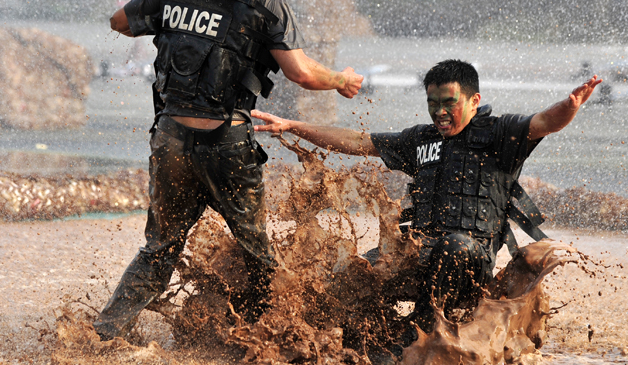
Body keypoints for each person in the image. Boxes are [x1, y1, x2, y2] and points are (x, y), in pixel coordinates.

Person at [95, 0, 364, 341]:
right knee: (256, 251)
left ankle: (103, 336)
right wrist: (340, 80)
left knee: (159, 249)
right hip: (227, 144)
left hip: (170, 139)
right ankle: (263, 338)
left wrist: (182, 27)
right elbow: (299, 73)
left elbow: (119, 22)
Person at [252, 59, 601, 339]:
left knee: (455, 245)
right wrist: (292, 125)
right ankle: (355, 337)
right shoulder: (420, 140)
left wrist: (569, 106)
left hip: (469, 263)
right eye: (432, 104)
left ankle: (422, 331)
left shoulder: (499, 134)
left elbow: (544, 122)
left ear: (473, 101)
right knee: (358, 269)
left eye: (449, 103)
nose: (440, 113)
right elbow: (359, 142)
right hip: (418, 255)